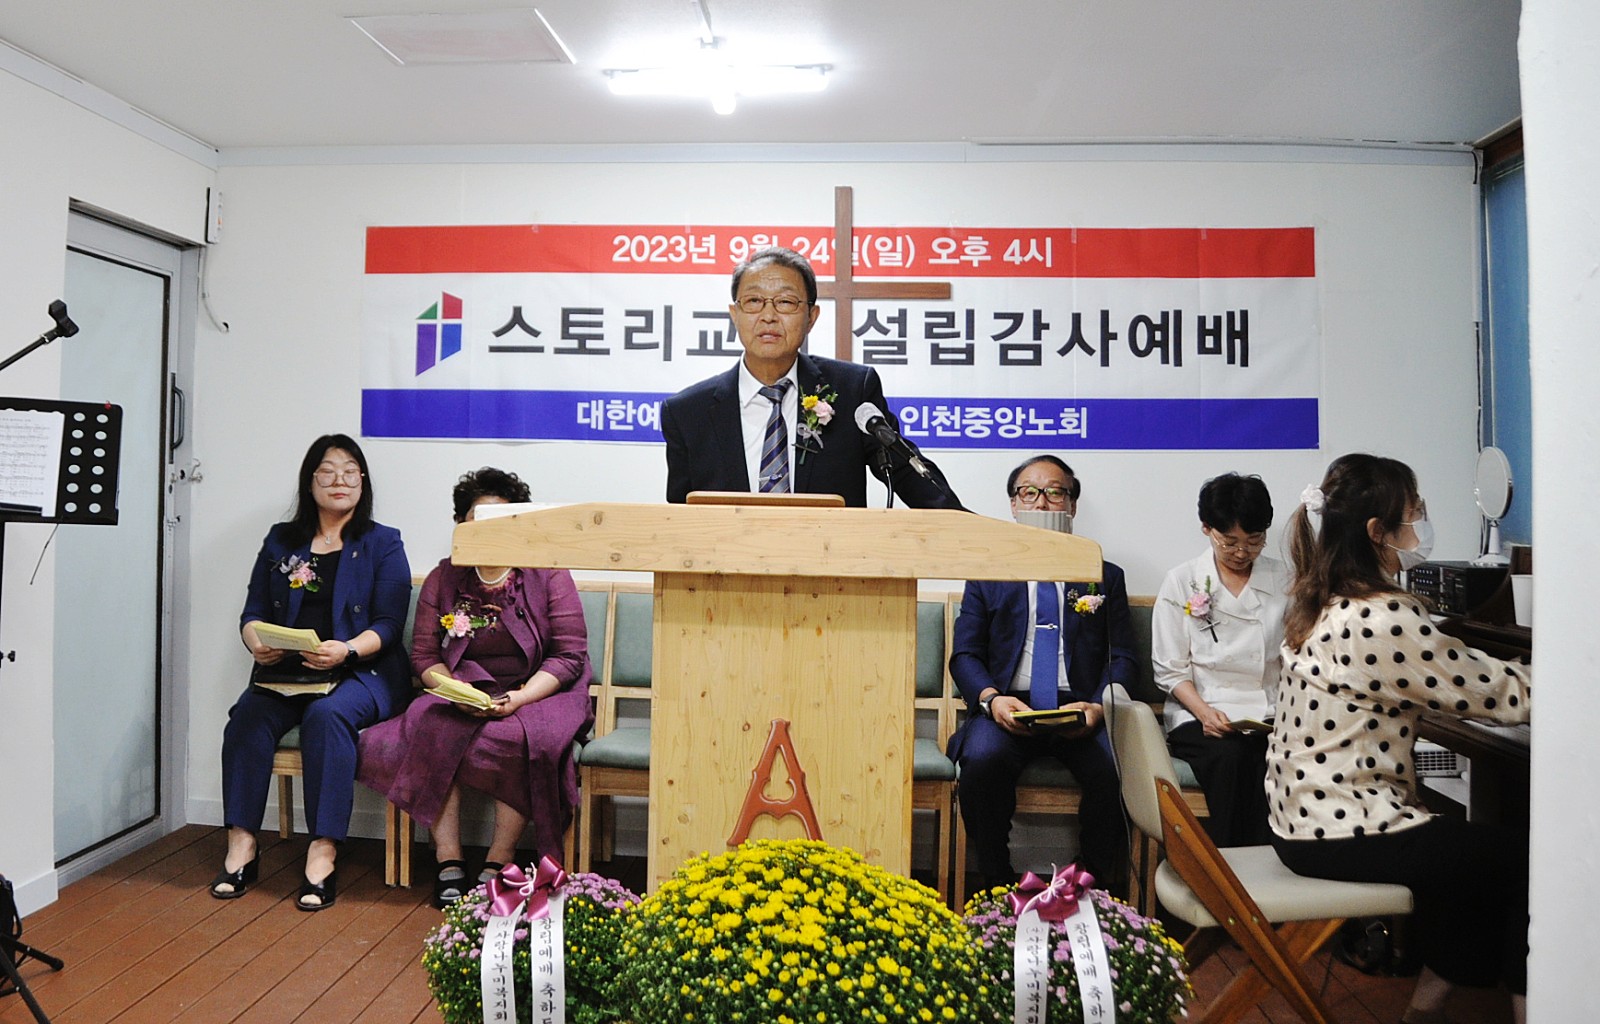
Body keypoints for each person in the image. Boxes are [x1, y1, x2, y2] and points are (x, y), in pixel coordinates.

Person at [1270, 453, 1530, 1024]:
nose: (1422, 523)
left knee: (1472, 857)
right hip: (1345, 830)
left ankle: (1424, 1012)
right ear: (1378, 532)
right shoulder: (1382, 615)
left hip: (1302, 821)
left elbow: (1445, 675)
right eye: (1415, 511)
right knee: (1523, 861)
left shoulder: (1320, 600)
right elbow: (1501, 695)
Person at [357, 468, 593, 906]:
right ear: (461, 524)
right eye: (477, 517)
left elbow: (569, 655)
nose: (488, 527)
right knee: (428, 724)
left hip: (542, 691)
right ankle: (448, 858)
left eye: (501, 518)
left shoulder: (548, 572)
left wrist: (520, 697)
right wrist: (455, 692)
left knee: (522, 738)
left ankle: (499, 860)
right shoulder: (444, 577)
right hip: (465, 689)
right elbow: (424, 657)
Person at [213, 434, 412, 910]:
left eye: (350, 471)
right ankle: (242, 841)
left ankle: (323, 848)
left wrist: (347, 650)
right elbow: (253, 612)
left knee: (327, 716)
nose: (339, 480)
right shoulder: (282, 540)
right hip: (289, 672)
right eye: (328, 470)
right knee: (246, 718)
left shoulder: (383, 541)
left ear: (362, 481)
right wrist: (256, 643)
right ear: (310, 481)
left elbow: (389, 624)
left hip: (362, 673)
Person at [947, 455, 1132, 892]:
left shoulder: (1104, 576)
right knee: (982, 760)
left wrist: (1098, 706)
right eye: (1029, 493)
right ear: (1014, 505)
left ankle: (1088, 884)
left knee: (1116, 766)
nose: (1042, 502)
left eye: (1054, 492)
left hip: (1079, 707)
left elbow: (1123, 657)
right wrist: (991, 699)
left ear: (1072, 505)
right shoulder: (989, 574)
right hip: (1009, 704)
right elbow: (965, 655)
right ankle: (996, 883)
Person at [660, 246, 961, 509]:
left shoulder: (852, 391)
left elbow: (908, 475)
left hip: (831, 556)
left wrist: (969, 531)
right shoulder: (688, 412)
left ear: (811, 317)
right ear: (734, 314)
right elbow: (679, 519)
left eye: (785, 302)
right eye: (753, 301)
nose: (768, 316)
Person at [1151, 472, 1289, 847]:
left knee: (1273, 758)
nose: (1242, 552)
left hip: (1269, 712)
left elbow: (1296, 656)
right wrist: (1205, 713)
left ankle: (1274, 867)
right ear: (1206, 528)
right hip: (1199, 711)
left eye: (1254, 541)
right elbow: (1170, 669)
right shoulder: (1182, 581)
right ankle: (1229, 867)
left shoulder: (1286, 579)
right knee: (1231, 758)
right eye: (1230, 541)